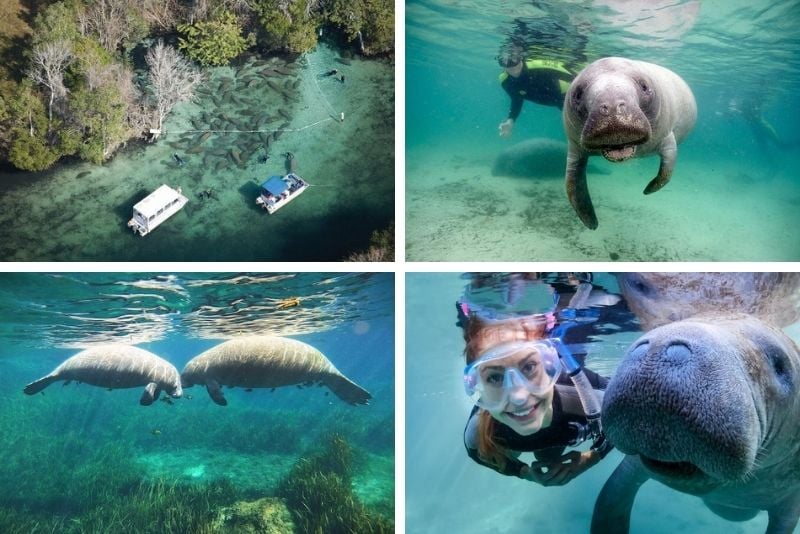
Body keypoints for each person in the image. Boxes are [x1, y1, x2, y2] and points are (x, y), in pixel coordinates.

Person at [459, 297, 612, 486]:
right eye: (494, 377)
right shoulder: (479, 433)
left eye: (529, 367)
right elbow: (478, 453)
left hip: (558, 430)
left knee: (548, 454)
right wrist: (523, 472)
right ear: (477, 384)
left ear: (550, 364)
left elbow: (626, 418)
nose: (518, 397)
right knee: (510, 448)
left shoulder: (589, 396)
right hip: (538, 434)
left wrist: (592, 457)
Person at [497, 50, 577, 138]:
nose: (511, 65)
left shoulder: (538, 66)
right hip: (561, 104)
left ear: (521, 57)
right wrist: (510, 120)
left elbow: (575, 76)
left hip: (571, 96)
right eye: (504, 61)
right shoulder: (505, 81)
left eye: (514, 59)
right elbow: (517, 99)